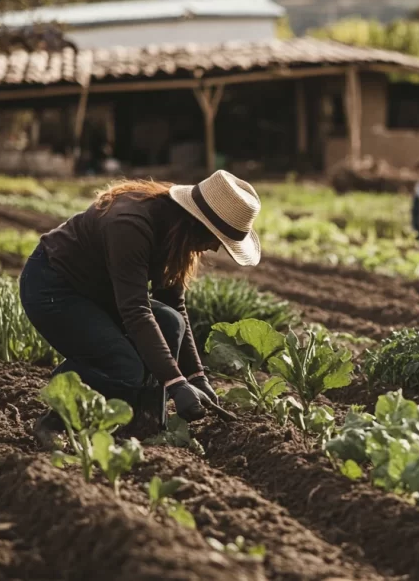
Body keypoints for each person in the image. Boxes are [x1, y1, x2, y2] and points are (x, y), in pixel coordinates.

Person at [19, 170, 261, 447]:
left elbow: (173, 304)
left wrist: (195, 376)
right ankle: (54, 421)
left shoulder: (176, 230)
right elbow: (135, 311)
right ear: (198, 223)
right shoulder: (131, 224)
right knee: (122, 365)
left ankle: (144, 425)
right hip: (54, 287)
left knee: (170, 322)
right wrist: (175, 383)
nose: (217, 248)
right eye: (217, 238)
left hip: (98, 292)